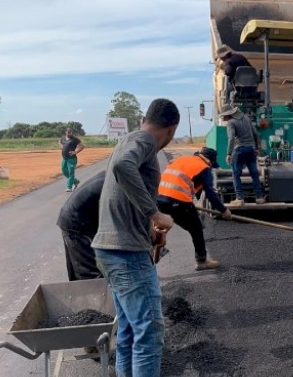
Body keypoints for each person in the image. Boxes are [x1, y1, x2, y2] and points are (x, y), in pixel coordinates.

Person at [91, 98, 179, 377]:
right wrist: (154, 214)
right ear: (171, 129)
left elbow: (122, 191)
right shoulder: (145, 141)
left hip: (111, 250)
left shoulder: (129, 139)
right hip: (125, 255)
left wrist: (149, 231)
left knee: (129, 330)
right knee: (150, 331)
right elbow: (122, 168)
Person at [157, 147, 232, 271]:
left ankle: (154, 247)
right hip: (177, 201)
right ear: (209, 161)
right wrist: (224, 210)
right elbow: (210, 193)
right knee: (196, 228)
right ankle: (202, 261)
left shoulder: (183, 160)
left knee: (163, 226)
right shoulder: (204, 167)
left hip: (159, 198)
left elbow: (192, 184)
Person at [57, 171, 105, 281]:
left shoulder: (116, 174)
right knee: (90, 274)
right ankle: (91, 296)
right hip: (77, 223)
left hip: (78, 217)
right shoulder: (124, 183)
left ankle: (79, 295)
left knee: (79, 269)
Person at [220, 103, 266, 206]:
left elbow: (231, 138)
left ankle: (239, 198)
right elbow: (255, 134)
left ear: (228, 114)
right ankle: (259, 197)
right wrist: (257, 148)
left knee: (236, 174)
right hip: (251, 149)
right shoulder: (246, 118)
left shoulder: (231, 123)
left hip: (239, 149)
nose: (224, 118)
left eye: (224, 115)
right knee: (254, 173)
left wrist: (228, 153)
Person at [59, 128, 85, 192]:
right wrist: (62, 147)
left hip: (71, 159)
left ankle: (69, 187)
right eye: (68, 132)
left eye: (70, 132)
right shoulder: (63, 138)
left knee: (71, 172)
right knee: (64, 171)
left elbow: (82, 146)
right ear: (66, 132)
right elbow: (59, 142)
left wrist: (75, 152)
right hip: (64, 158)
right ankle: (75, 181)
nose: (69, 133)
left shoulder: (75, 139)